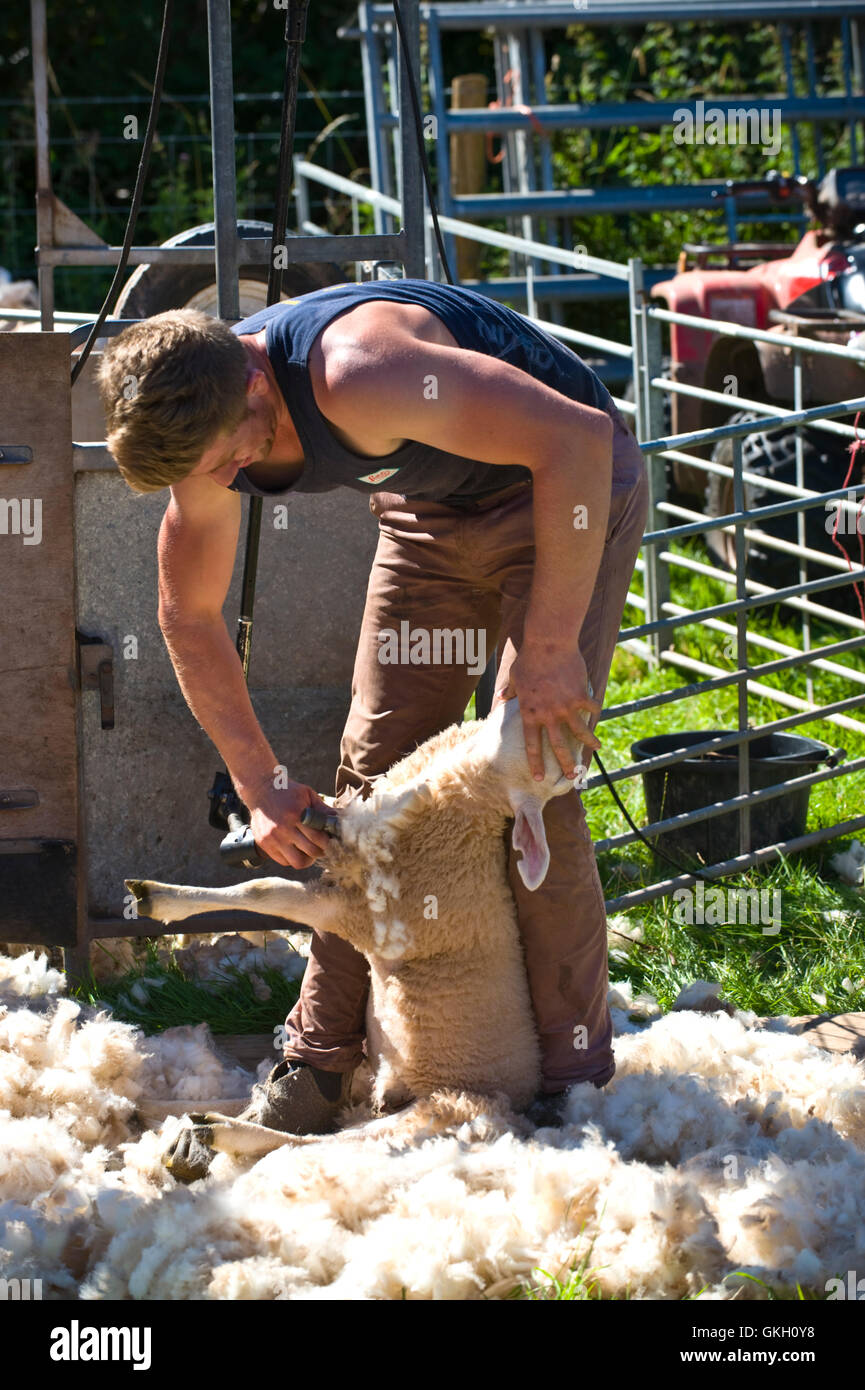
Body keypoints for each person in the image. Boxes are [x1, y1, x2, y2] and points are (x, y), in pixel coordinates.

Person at [98, 276, 648, 1132]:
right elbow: (189, 614)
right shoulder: (208, 414)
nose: (227, 478)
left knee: (529, 773)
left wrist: (547, 651)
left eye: (227, 459)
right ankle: (319, 1061)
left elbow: (573, 440)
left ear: (253, 379)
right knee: (365, 786)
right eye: (210, 473)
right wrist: (259, 782)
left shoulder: (360, 371)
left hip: (564, 492)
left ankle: (573, 1080)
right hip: (429, 516)